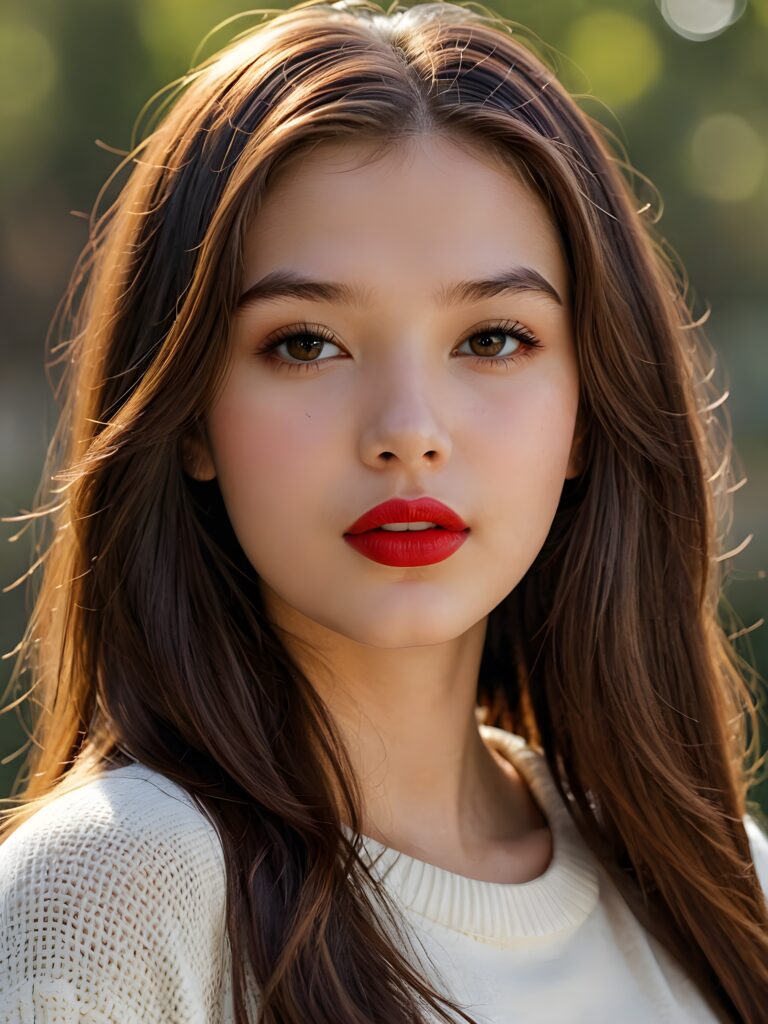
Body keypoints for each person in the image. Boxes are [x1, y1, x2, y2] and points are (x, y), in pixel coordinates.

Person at [1, 0, 766, 1021]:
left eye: (493, 337)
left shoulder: (723, 889)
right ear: (189, 416)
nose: (408, 430)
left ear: (589, 408)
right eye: (305, 342)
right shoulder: (115, 894)